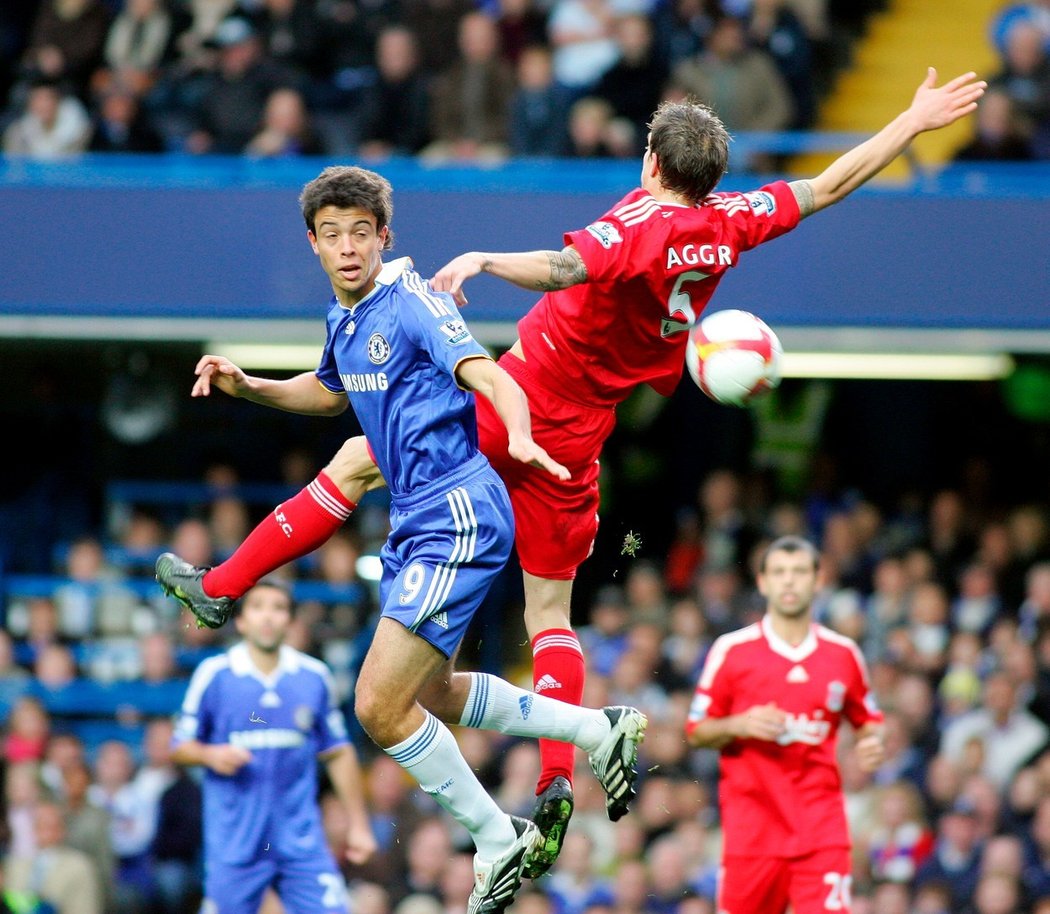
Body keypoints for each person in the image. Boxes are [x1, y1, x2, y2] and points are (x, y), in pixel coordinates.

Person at [152, 67, 983, 877]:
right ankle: (556, 779)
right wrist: (912, 122)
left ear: (651, 164)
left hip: (522, 396)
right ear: (712, 175)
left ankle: (221, 586)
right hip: (582, 440)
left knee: (358, 458)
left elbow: (563, 267)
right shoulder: (732, 220)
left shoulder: (638, 228)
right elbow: (830, 184)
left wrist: (480, 258)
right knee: (550, 613)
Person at [156, 165, 647, 914]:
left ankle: (494, 836)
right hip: (418, 522)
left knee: (377, 708)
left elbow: (488, 373)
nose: (348, 247)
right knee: (431, 695)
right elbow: (329, 394)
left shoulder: (412, 300)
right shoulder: (342, 319)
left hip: (455, 512)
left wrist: (516, 428)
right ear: (314, 245)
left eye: (361, 232)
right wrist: (249, 385)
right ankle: (595, 730)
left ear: (384, 238)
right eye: (332, 234)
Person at [684, 535, 886, 914]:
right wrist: (740, 724)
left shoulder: (843, 655)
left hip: (821, 830)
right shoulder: (732, 650)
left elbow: (869, 721)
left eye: (799, 572)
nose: (789, 581)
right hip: (752, 835)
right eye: (779, 572)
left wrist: (872, 742)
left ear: (818, 579)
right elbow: (696, 730)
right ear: (762, 583)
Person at [171, 579, 377, 914]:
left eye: (278, 608)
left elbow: (338, 751)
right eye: (258, 607)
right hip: (235, 843)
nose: (268, 617)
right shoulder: (215, 675)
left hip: (301, 842)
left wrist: (358, 825)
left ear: (290, 621)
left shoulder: (314, 676)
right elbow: (179, 746)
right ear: (241, 620)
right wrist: (210, 754)